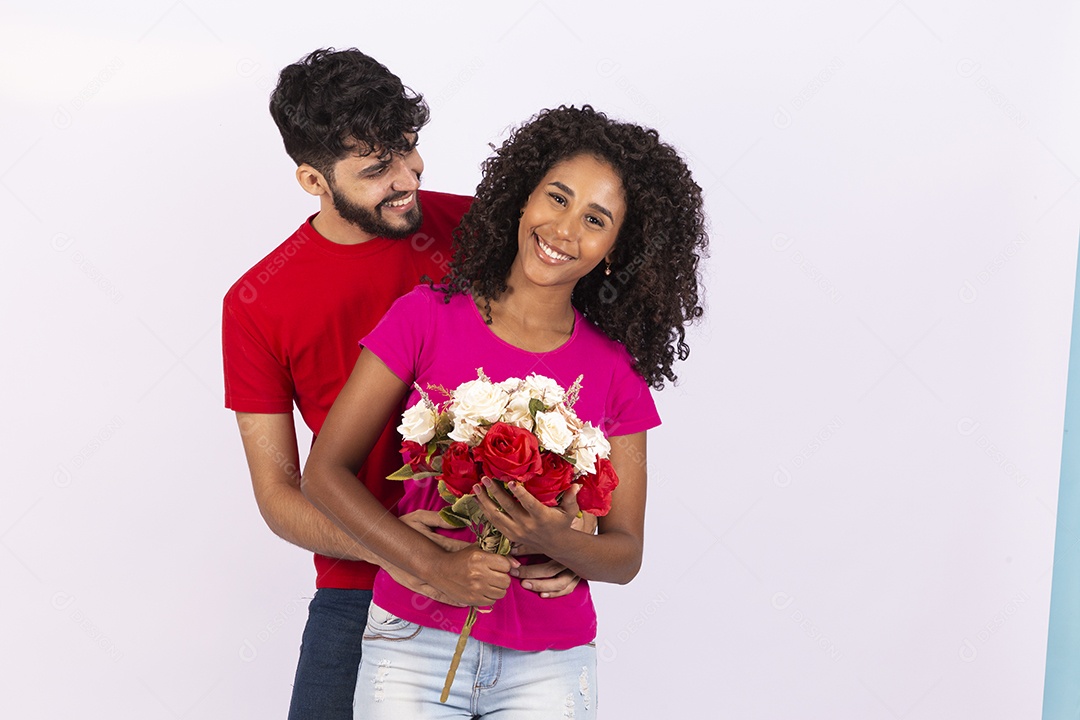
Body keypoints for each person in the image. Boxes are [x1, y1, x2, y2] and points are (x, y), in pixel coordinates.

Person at [301, 105, 708, 718]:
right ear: (523, 199)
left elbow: (625, 553)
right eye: (558, 198)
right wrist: (432, 566)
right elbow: (324, 473)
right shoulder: (425, 317)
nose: (566, 229)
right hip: (412, 643)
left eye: (595, 220)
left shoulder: (614, 373)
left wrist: (557, 541)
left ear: (615, 252)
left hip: (551, 660)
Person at [221, 49, 579, 720]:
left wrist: (577, 531)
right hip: (357, 595)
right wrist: (408, 552)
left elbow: (579, 383)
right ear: (312, 179)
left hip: (504, 581)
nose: (407, 177)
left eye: (409, 151)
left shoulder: (483, 234)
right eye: (376, 168)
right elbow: (278, 494)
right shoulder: (255, 303)